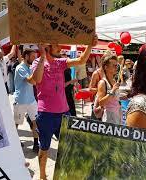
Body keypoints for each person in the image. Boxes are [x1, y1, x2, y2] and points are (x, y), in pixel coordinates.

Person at [31, 35, 98, 180]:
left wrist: (89, 46)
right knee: (44, 148)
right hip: (46, 114)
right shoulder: (38, 62)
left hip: (64, 113)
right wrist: (42, 56)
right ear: (47, 48)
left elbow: (81, 60)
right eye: (56, 45)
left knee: (70, 146)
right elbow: (37, 80)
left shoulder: (60, 62)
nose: (61, 48)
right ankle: (42, 176)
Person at [13, 49, 40, 153]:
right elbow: (32, 81)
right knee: (17, 123)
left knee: (36, 122)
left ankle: (36, 144)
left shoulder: (30, 67)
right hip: (20, 101)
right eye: (33, 57)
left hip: (31, 100)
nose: (34, 59)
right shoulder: (20, 68)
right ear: (26, 56)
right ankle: (15, 142)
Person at [95, 54, 122, 124]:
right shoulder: (102, 82)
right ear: (106, 67)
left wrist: (128, 95)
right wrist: (113, 90)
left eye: (117, 65)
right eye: (114, 65)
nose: (116, 67)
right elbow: (101, 103)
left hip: (118, 115)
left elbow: (115, 99)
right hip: (109, 117)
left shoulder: (114, 81)